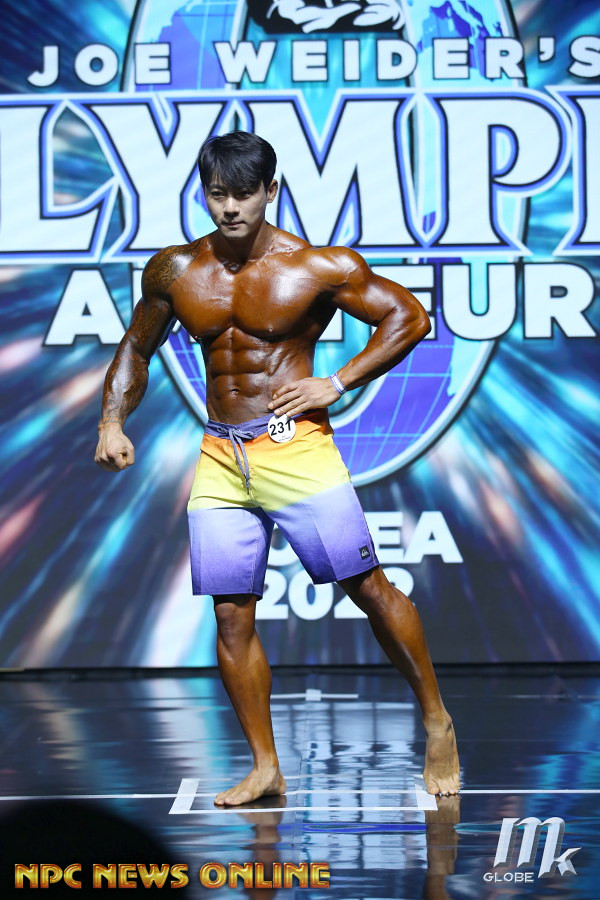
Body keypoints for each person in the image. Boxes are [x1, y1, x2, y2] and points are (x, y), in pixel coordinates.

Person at [94, 131, 460, 806]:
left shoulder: (316, 267)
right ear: (204, 195)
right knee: (231, 615)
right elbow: (137, 348)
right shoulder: (176, 270)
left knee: (367, 587)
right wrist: (111, 421)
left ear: (271, 191)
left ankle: (437, 720)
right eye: (217, 195)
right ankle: (265, 767)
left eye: (243, 194)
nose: (230, 208)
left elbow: (409, 317)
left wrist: (337, 381)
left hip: (294, 446)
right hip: (220, 453)